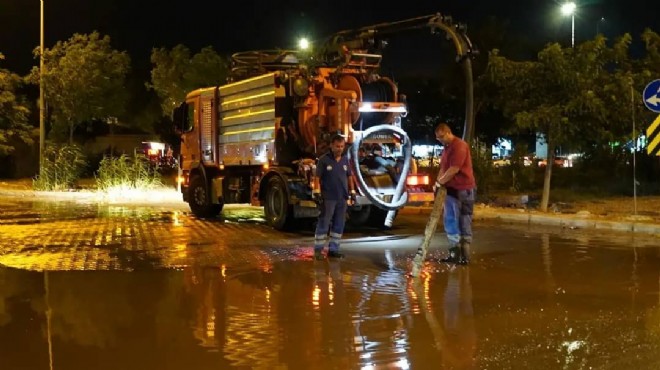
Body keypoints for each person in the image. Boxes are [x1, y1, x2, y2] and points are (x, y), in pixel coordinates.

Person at [433, 123, 476, 265]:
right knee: (461, 219)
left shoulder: (459, 146)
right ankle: (461, 256)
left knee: (455, 219)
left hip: (460, 190)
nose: (439, 140)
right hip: (461, 189)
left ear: (448, 133)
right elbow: (444, 168)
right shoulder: (447, 148)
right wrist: (438, 183)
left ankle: (459, 255)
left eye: (441, 137)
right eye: (437, 138)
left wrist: (440, 183)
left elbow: (453, 169)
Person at [313, 134, 356, 260]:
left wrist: (352, 192)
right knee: (324, 222)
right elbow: (317, 177)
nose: (340, 149)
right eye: (337, 146)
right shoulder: (324, 160)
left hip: (342, 198)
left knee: (339, 224)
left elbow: (349, 176)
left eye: (342, 146)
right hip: (328, 198)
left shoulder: (345, 160)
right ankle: (318, 251)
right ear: (331, 146)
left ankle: (334, 249)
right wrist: (316, 192)